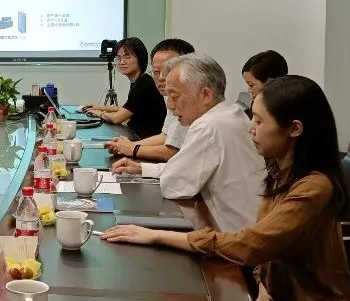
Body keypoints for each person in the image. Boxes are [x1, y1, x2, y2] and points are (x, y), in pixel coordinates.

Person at [102, 76, 350, 301]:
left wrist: (157, 235)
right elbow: (269, 241)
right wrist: (262, 285)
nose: (251, 128)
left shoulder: (313, 187)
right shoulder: (281, 171)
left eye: (259, 121)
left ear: (294, 129)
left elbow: (253, 243)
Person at [130, 53, 266, 231]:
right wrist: (143, 168)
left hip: (234, 238)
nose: (170, 104)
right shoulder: (232, 113)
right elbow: (185, 169)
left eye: (174, 95)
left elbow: (173, 185)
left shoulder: (207, 126)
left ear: (205, 94)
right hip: (251, 227)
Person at [109, 38, 195, 173]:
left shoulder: (190, 103)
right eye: (156, 71)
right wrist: (130, 145)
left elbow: (173, 152)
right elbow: (166, 136)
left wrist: (132, 148)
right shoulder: (171, 98)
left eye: (168, 70)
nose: (161, 77)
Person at [82, 37, 165, 139]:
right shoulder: (139, 81)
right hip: (138, 136)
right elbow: (129, 108)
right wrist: (100, 107)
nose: (121, 62)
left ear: (140, 58)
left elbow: (117, 118)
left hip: (144, 141)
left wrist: (100, 113)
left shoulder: (145, 84)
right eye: (118, 58)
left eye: (127, 57)